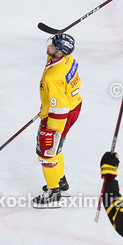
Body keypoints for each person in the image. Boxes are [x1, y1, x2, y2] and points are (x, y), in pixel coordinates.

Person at [33, 33, 82, 209]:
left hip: (61, 113)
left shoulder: (53, 77)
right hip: (71, 104)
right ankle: (60, 181)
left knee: (47, 152)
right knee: (54, 147)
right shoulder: (66, 58)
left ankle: (54, 192)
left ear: (60, 53)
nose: (49, 47)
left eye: (53, 46)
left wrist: (53, 130)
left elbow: (59, 107)